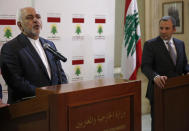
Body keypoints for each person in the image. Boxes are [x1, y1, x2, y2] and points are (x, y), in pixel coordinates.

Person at [0, 7, 68, 104]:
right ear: (20, 25)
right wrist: (45, 94)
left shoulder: (49, 45)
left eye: (38, 17)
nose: (35, 20)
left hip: (54, 104)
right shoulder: (10, 48)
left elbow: (60, 74)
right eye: (29, 17)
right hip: (27, 107)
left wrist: (63, 92)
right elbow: (16, 82)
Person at [141, 16, 189, 131]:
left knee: (177, 122)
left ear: (174, 29)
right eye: (161, 28)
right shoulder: (150, 44)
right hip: (159, 91)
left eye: (167, 28)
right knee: (159, 125)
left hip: (178, 92)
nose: (163, 31)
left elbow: (184, 64)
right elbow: (145, 66)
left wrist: (188, 71)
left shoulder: (180, 44)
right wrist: (155, 76)